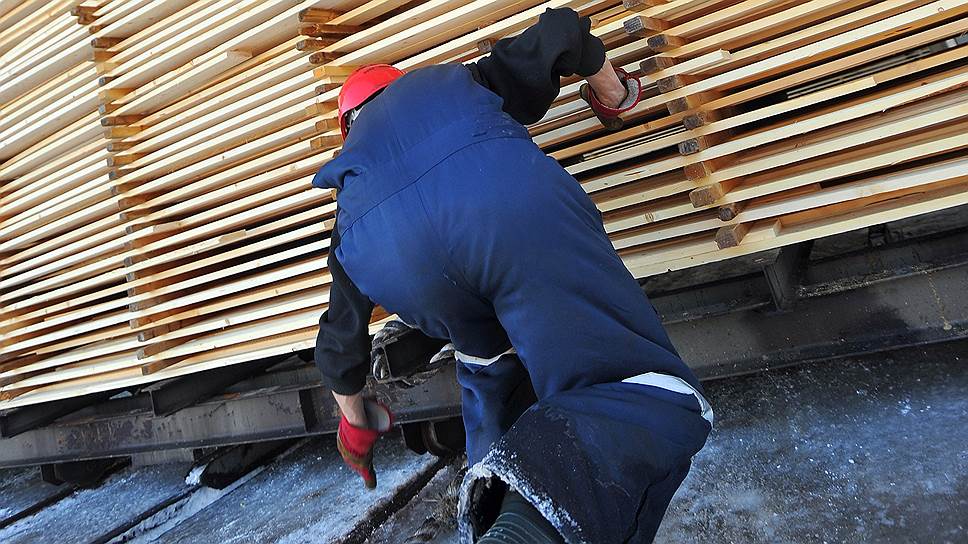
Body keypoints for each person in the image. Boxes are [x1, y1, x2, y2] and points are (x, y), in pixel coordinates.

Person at [312, 8, 712, 543]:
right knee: (622, 384)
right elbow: (563, 29)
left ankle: (491, 521)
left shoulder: (350, 195)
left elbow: (340, 346)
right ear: (401, 86)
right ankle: (533, 528)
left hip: (413, 274)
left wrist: (357, 429)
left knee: (490, 381)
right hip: (512, 222)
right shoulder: (455, 84)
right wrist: (614, 93)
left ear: (348, 127)